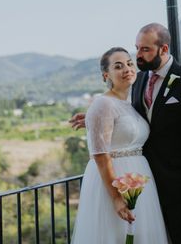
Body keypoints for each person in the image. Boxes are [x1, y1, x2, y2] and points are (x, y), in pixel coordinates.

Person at [71, 23, 181, 243]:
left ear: (164, 49)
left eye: (144, 50)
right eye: (137, 48)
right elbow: (130, 118)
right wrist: (94, 119)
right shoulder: (139, 81)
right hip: (145, 185)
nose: (137, 56)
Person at [70, 46, 169, 244]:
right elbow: (100, 154)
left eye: (129, 63)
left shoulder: (131, 103)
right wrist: (116, 197)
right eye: (118, 66)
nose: (127, 69)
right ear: (106, 75)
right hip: (113, 185)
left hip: (139, 184)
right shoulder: (102, 104)